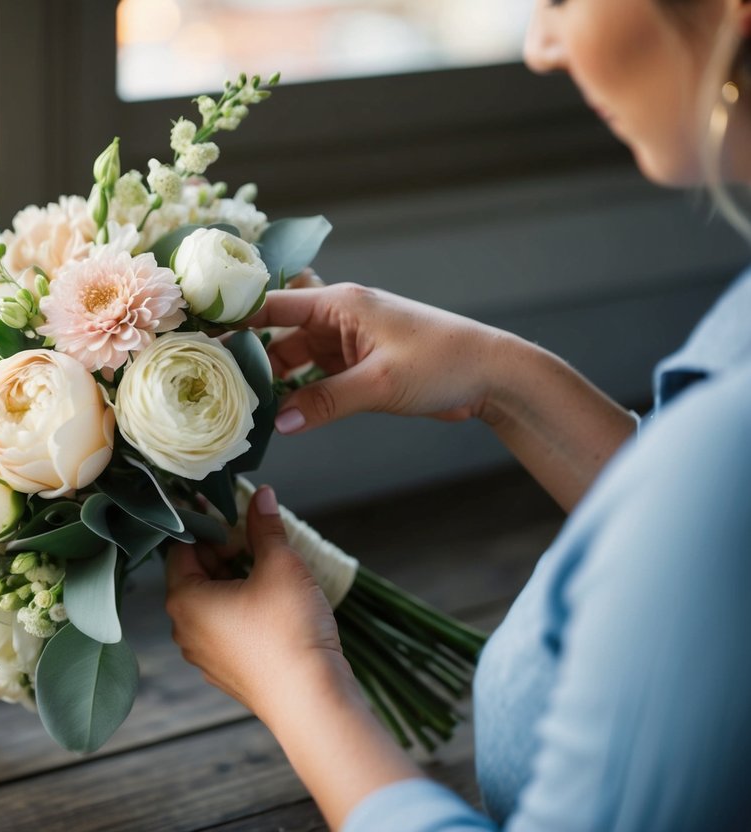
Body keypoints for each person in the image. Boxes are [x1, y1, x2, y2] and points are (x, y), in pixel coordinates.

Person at [164, 0, 751, 828]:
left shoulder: (727, 450)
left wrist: (298, 689)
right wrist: (502, 379)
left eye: (558, 1)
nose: (541, 46)